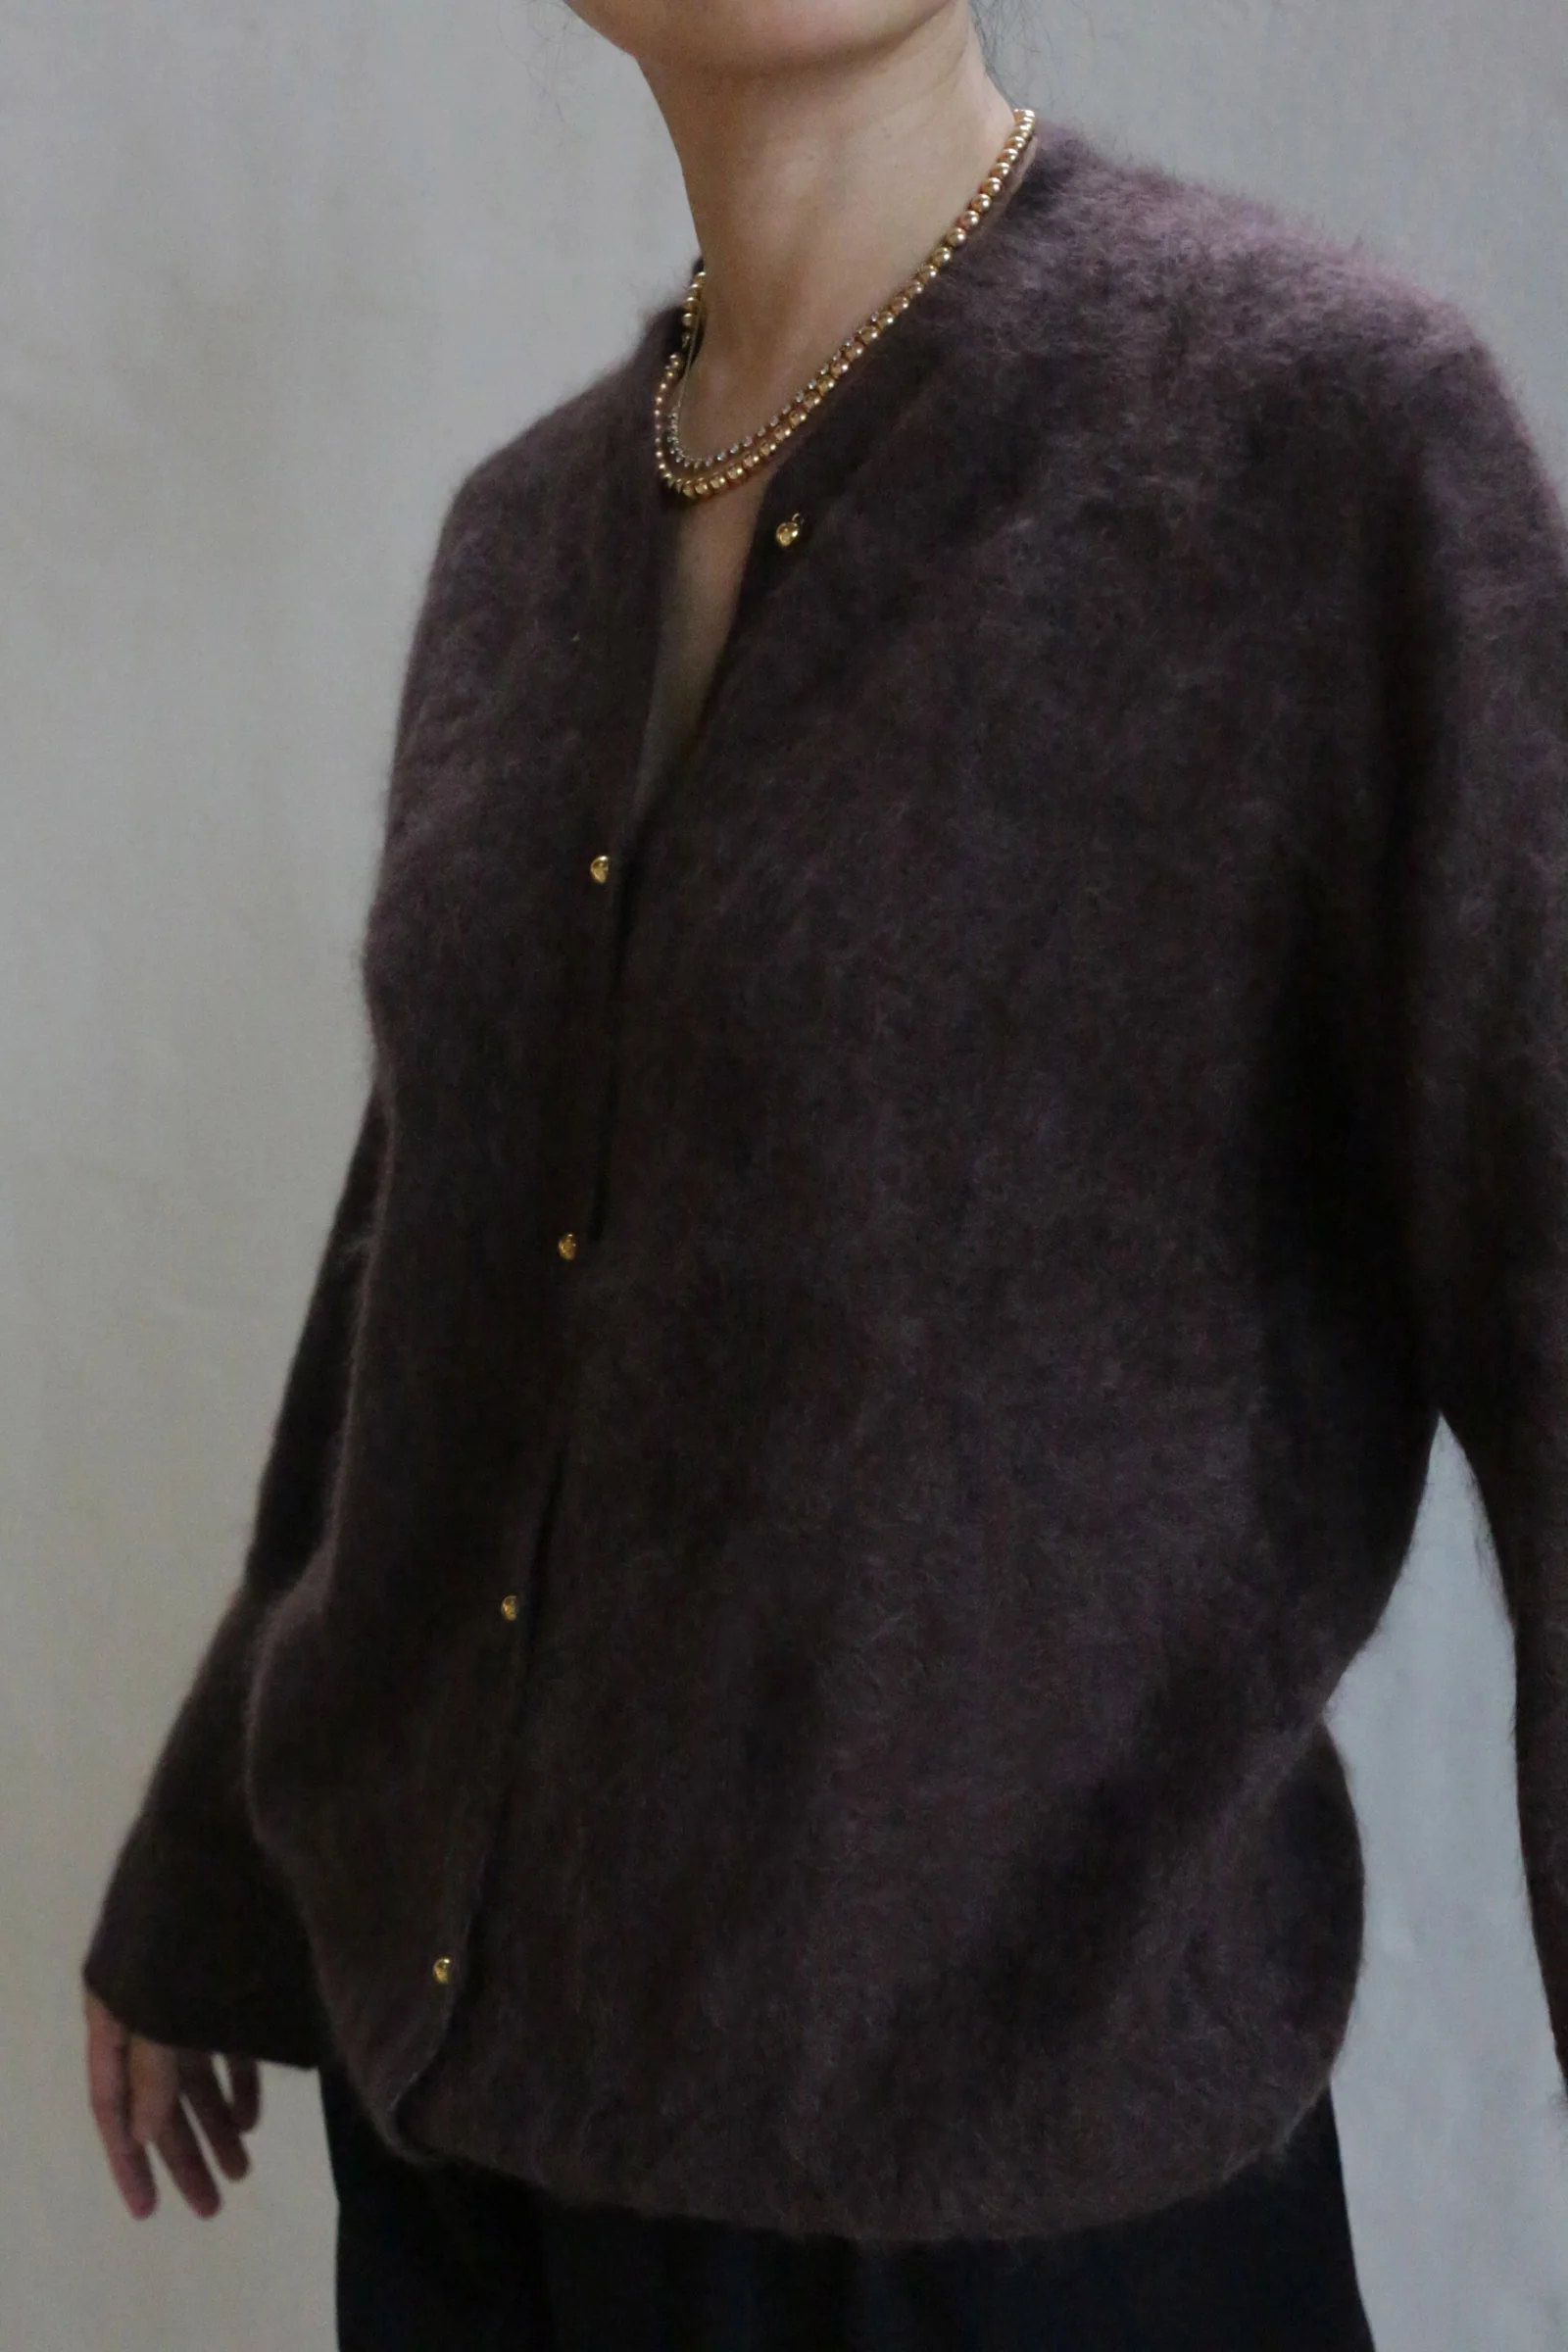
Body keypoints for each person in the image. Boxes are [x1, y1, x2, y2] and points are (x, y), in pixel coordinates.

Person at [81, 1, 1568, 2345]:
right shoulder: (514, 548)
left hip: (1013, 2215)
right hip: (465, 2162)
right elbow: (429, 1263)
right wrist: (206, 1879)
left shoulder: (1308, 439)